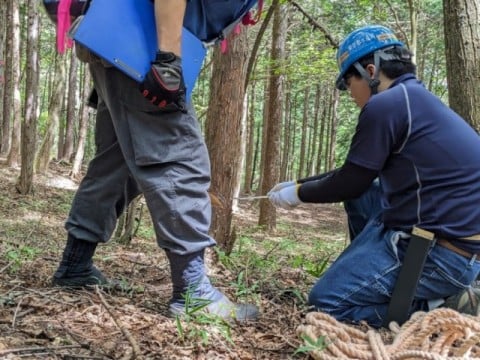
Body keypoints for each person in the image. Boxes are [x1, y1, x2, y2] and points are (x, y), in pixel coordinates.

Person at [50, 0, 261, 322]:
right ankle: (193, 293)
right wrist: (168, 59)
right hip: (141, 44)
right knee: (179, 159)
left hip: (123, 40)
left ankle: (75, 265)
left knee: (116, 166)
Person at [267, 25, 480, 328]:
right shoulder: (412, 100)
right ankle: (371, 277)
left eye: (348, 83)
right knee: (367, 194)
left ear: (370, 71)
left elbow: (351, 181)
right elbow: (357, 172)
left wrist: (298, 196)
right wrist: (300, 184)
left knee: (325, 304)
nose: (350, 94)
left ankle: (440, 305)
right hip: (448, 243)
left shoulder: (386, 105)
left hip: (442, 256)